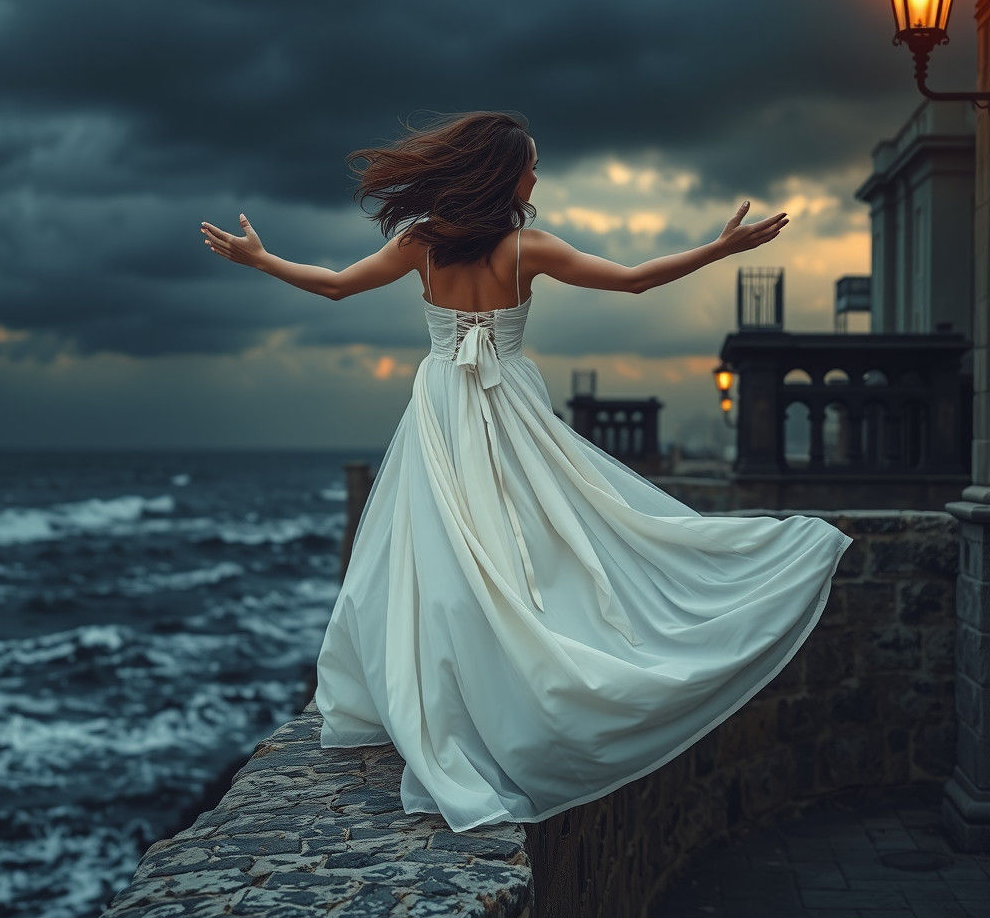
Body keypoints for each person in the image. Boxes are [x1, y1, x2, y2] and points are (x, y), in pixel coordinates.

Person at [200, 109, 853, 833]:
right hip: (506, 404)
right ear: (500, 173)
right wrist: (716, 250)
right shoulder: (525, 248)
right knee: (537, 543)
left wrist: (260, 260)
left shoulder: (421, 245)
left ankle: (459, 698)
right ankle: (515, 692)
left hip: (445, 408)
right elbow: (634, 282)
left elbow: (331, 287)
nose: (536, 176)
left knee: (443, 556)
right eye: (529, 165)